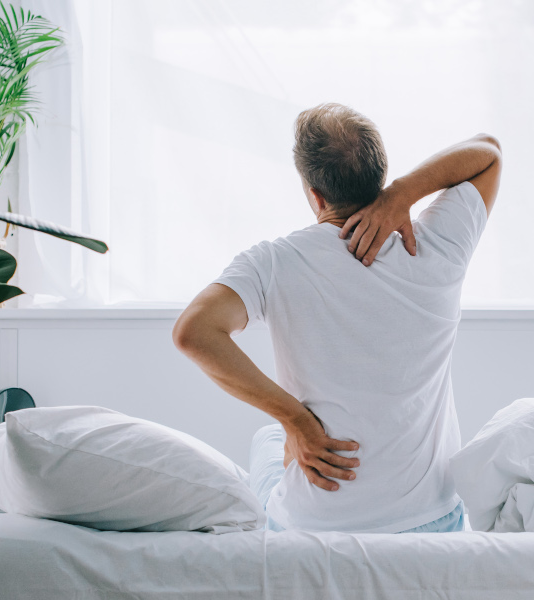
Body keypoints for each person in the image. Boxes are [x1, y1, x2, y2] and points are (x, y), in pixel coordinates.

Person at [172, 103, 501, 533]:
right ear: (379, 178)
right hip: (433, 521)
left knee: (268, 439)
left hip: (315, 527)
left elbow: (193, 332)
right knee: (272, 438)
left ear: (316, 195)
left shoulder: (275, 262)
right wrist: (402, 194)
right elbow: (488, 152)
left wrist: (296, 421)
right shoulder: (437, 244)